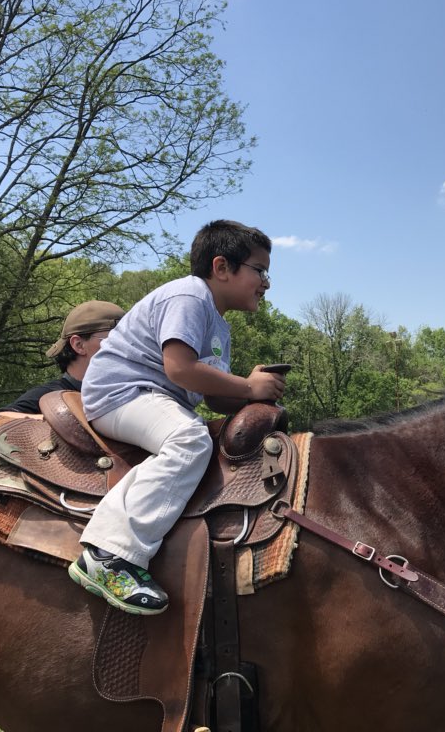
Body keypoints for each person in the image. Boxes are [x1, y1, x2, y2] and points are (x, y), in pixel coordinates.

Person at [68, 220, 285, 615]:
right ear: (222, 267)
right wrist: (248, 387)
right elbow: (179, 369)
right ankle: (108, 553)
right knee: (189, 439)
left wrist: (255, 399)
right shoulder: (189, 296)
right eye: (260, 270)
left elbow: (211, 395)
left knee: (203, 434)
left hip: (155, 397)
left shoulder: (219, 323)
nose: (266, 283)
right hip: (121, 392)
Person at [0, 300, 125, 414]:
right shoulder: (46, 397)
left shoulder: (128, 393)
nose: (127, 349)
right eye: (114, 341)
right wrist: (60, 421)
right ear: (78, 345)